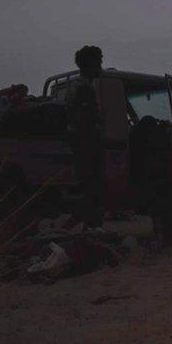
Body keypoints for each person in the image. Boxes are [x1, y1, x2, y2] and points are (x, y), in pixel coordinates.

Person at [69, 45, 105, 228]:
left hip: (83, 145)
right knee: (91, 190)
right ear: (89, 64)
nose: (100, 67)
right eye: (98, 62)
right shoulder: (84, 88)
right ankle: (91, 228)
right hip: (86, 146)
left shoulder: (80, 86)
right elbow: (85, 121)